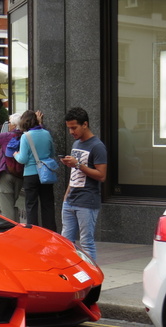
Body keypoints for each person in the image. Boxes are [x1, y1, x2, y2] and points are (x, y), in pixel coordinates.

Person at [60, 107, 108, 260]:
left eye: (74, 128)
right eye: (69, 128)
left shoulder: (97, 146)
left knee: (86, 242)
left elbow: (102, 176)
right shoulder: (76, 144)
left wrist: (78, 164)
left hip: (87, 201)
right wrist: (66, 195)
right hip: (70, 200)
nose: (71, 132)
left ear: (85, 124)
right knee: (66, 242)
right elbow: (75, 173)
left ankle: (93, 277)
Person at [13, 110, 57, 231]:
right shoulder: (46, 134)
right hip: (46, 173)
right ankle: (51, 232)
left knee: (31, 205)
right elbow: (52, 152)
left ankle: (34, 232)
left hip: (31, 174)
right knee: (47, 204)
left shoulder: (25, 137)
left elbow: (23, 159)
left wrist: (15, 154)